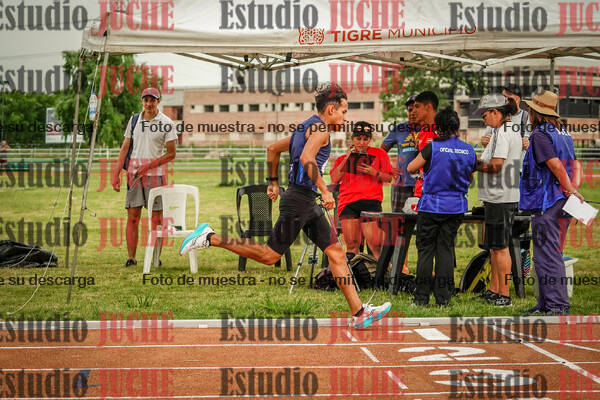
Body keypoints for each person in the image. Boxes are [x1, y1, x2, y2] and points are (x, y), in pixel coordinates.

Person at [180, 84, 391, 329]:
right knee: (269, 256)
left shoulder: (305, 127)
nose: (345, 117)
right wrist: (325, 190)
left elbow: (272, 149)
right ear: (331, 109)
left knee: (336, 253)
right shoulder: (321, 130)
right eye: (344, 111)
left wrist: (273, 182)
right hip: (299, 200)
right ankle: (210, 237)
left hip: (305, 200)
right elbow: (306, 158)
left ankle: (359, 312)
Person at [520, 90, 583, 316]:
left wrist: (570, 189)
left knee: (548, 254)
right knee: (545, 254)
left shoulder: (539, 134)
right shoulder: (562, 132)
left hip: (548, 201)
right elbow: (574, 164)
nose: (528, 113)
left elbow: (555, 165)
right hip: (561, 200)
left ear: (535, 112)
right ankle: (545, 304)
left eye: (530, 110)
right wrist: (571, 189)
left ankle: (556, 305)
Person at [407, 107, 477, 306]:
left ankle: (421, 298)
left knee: (426, 251)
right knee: (445, 250)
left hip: (431, 206)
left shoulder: (433, 147)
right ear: (457, 126)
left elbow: (411, 168)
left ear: (438, 127)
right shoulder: (469, 149)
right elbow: (470, 178)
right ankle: (443, 299)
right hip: (456, 207)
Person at [112, 87, 177, 267]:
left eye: (152, 100)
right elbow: (124, 148)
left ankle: (155, 259)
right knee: (133, 217)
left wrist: (147, 167)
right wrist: (116, 174)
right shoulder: (134, 120)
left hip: (155, 176)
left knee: (156, 220)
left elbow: (171, 154)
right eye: (145, 100)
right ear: (142, 101)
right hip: (133, 175)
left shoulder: (167, 123)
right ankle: (131, 258)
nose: (149, 104)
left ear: (158, 101)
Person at [473, 94, 523, 307]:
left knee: (501, 248)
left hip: (500, 198)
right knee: (494, 248)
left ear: (496, 112)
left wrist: (472, 164)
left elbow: (495, 166)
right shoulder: (502, 131)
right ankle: (494, 290)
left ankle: (504, 294)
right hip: (498, 197)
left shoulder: (503, 133)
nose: (483, 118)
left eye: (484, 114)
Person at [330, 121, 393, 259]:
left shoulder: (379, 153)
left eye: (365, 139)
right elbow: (334, 179)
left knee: (376, 244)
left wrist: (373, 172)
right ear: (352, 139)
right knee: (352, 245)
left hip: (371, 201)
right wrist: (348, 158)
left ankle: (383, 270)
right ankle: (356, 271)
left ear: (370, 139)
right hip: (348, 203)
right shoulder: (342, 158)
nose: (362, 142)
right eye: (358, 138)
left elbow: (389, 178)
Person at [381, 96, 420, 212]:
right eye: (410, 110)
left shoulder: (429, 130)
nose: (412, 113)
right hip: (401, 184)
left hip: (423, 185)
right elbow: (381, 151)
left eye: (416, 109)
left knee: (422, 220)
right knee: (398, 221)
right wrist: (388, 168)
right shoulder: (399, 129)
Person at [481, 84, 530, 153]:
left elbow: (535, 144)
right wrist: (485, 141)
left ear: (517, 99)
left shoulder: (528, 118)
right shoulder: (496, 116)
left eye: (506, 98)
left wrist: (528, 144)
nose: (502, 102)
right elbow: (483, 139)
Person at [411, 91, 439, 198]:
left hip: (435, 193)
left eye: (417, 106)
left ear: (428, 106)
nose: (413, 111)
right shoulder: (422, 130)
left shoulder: (442, 130)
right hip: (420, 190)